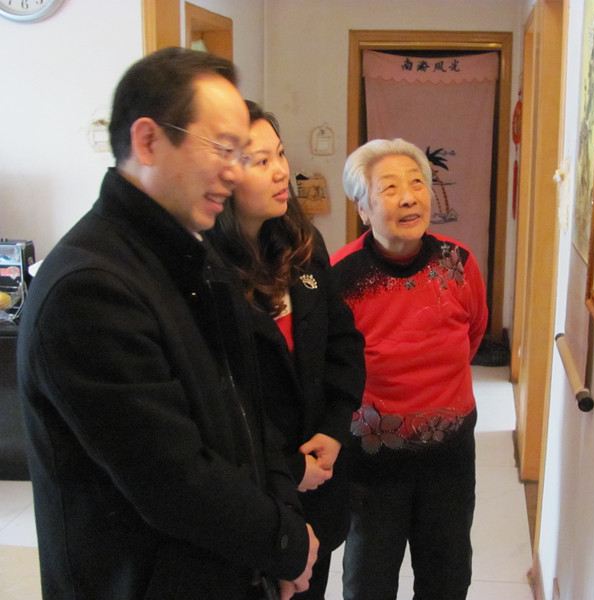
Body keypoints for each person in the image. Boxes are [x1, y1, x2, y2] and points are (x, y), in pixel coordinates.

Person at [16, 47, 317, 600]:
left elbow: (250, 414)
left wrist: (284, 521)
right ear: (149, 141)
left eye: (241, 152)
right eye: (221, 148)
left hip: (229, 569)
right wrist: (284, 543)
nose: (234, 171)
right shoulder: (89, 288)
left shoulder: (196, 257)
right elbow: (171, 479)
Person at [208, 102, 365, 599]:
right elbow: (221, 403)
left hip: (321, 478)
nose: (281, 171)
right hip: (254, 495)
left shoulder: (303, 243)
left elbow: (343, 343)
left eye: (280, 154)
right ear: (223, 176)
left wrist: (334, 430)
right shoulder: (205, 272)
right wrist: (290, 470)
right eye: (261, 161)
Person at [330, 138, 489, 600]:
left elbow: (473, 333)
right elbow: (332, 365)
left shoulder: (458, 263)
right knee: (369, 581)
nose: (409, 197)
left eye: (418, 183)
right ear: (363, 208)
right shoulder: (341, 275)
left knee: (447, 577)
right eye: (390, 188)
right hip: (373, 460)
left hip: (449, 455)